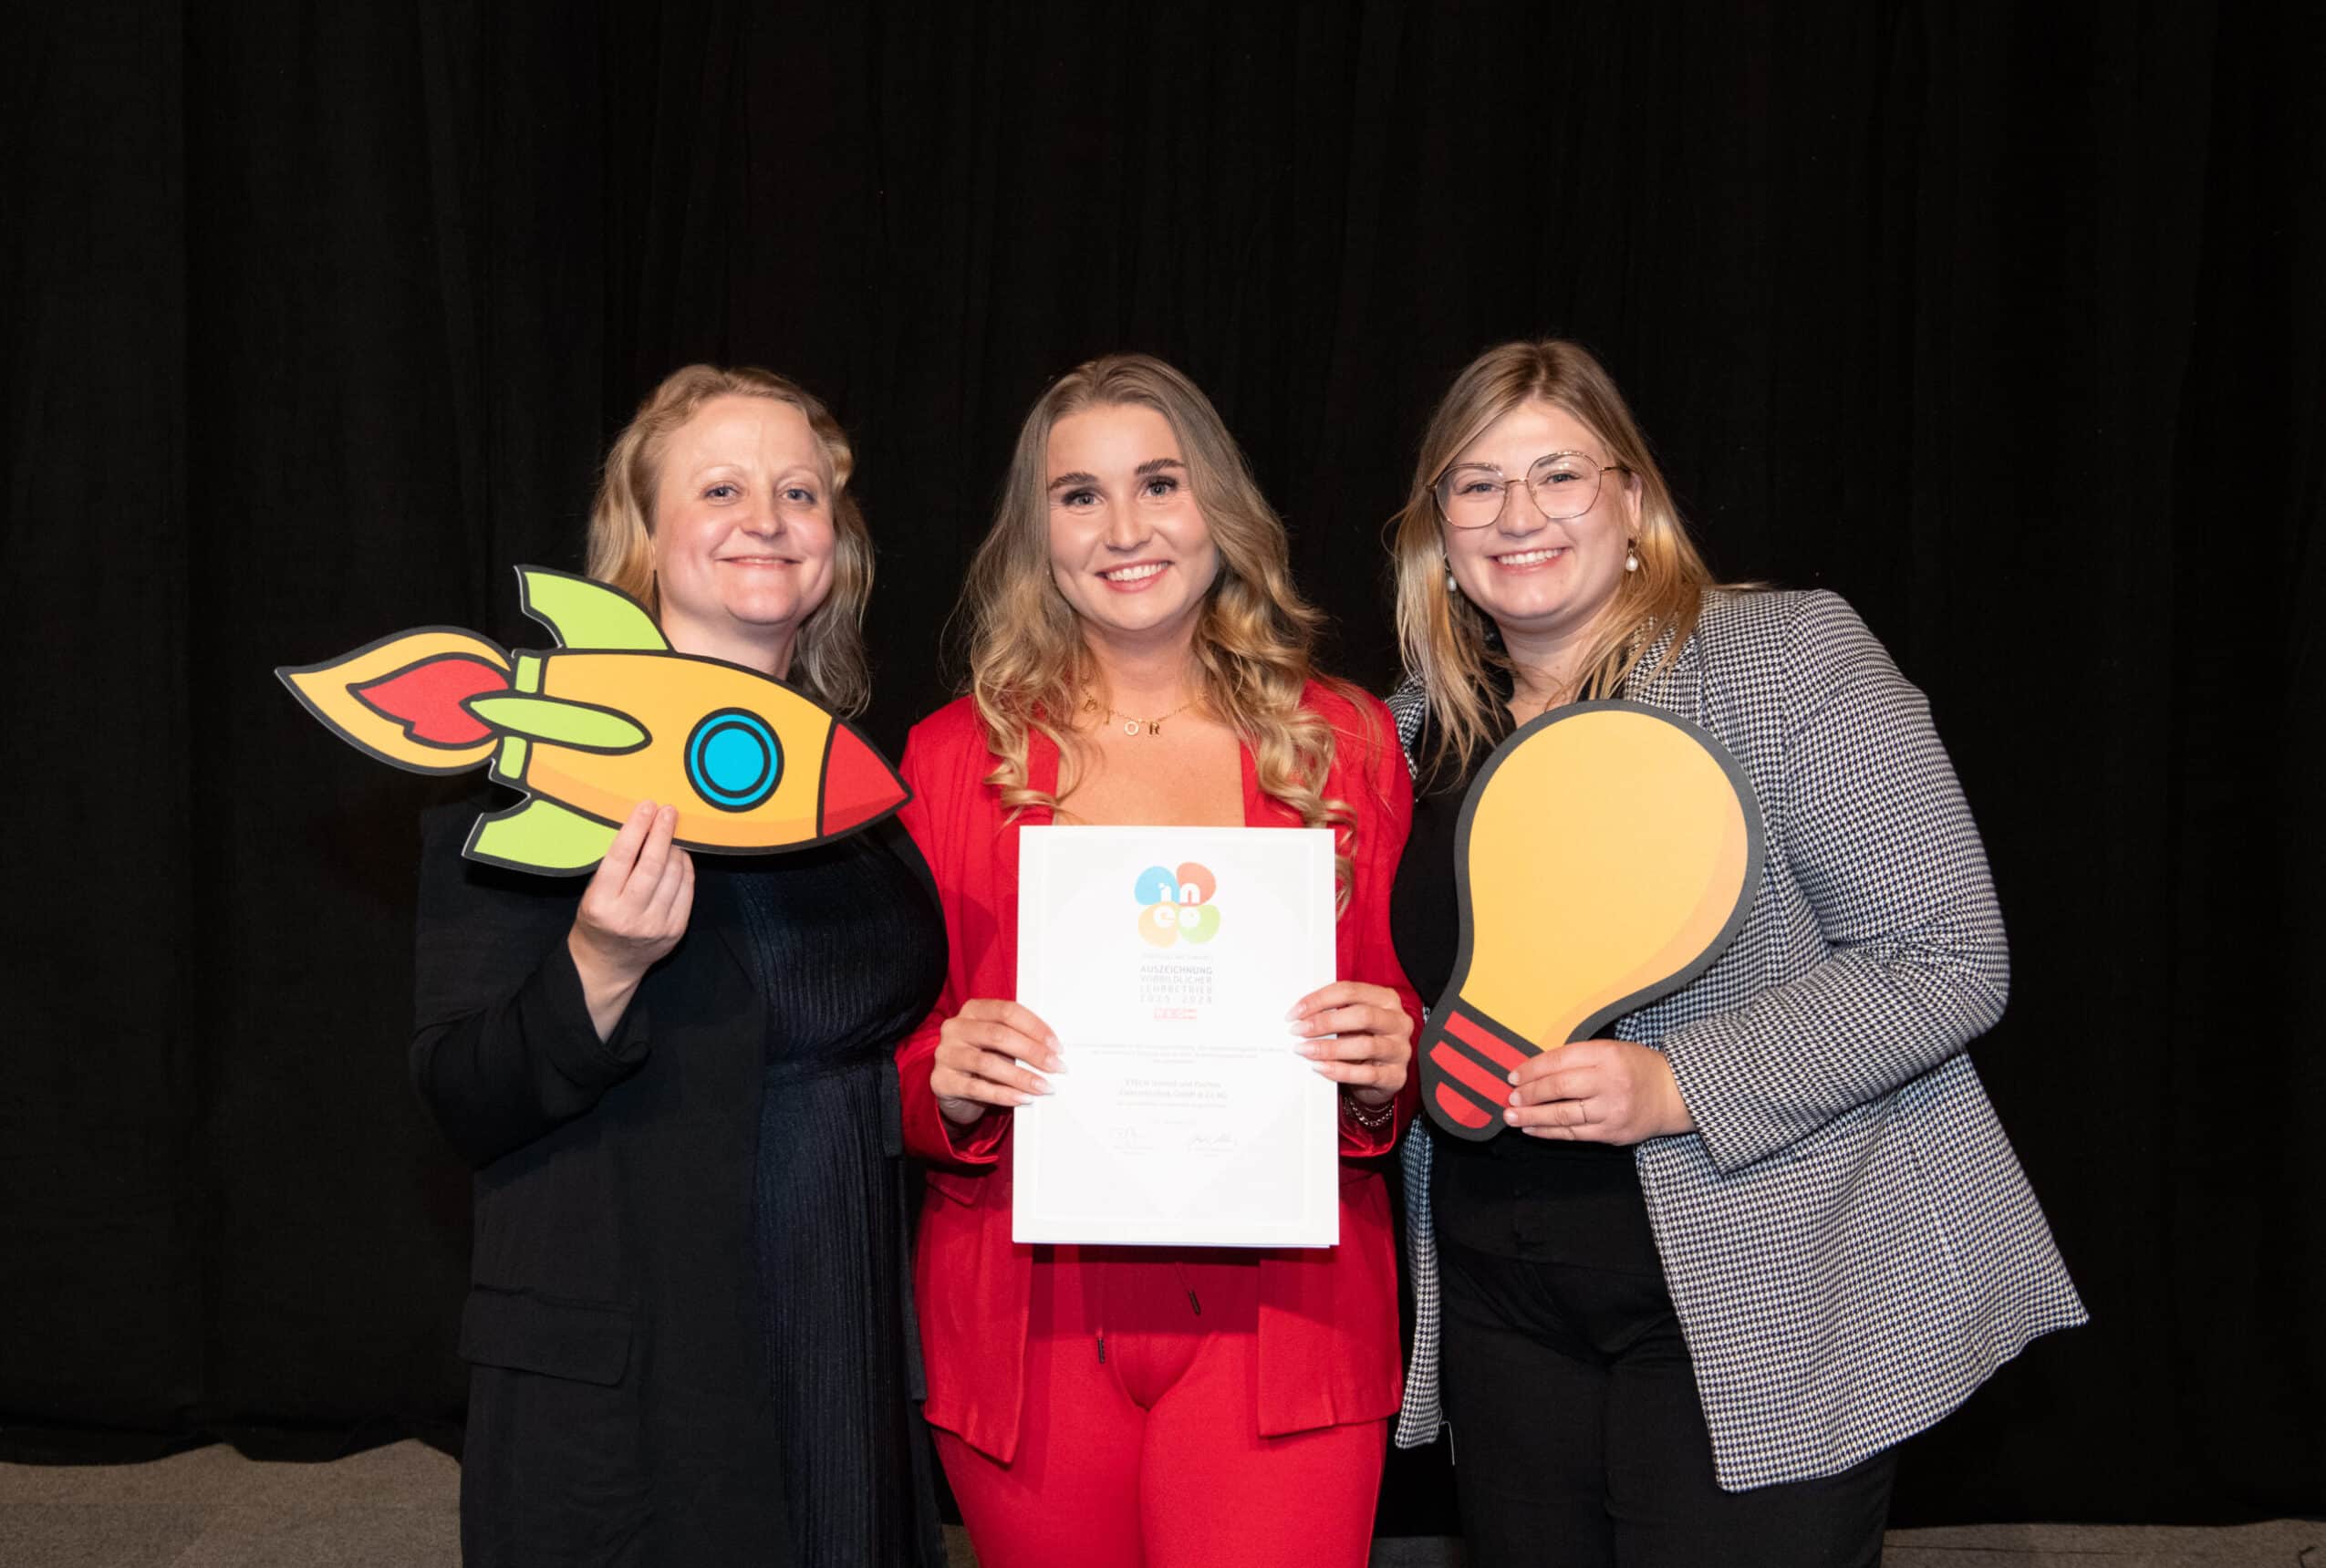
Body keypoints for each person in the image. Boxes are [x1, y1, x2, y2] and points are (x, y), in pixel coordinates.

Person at [1383, 339, 2087, 1567]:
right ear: (1437, 530)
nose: (1518, 514)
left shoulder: (1785, 663)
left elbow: (1945, 952)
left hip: (1758, 1296)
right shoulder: (1400, 738)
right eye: (1477, 483)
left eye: (1558, 474)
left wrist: (1677, 1085)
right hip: (1502, 1317)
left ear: (1633, 501)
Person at [410, 366, 947, 1567]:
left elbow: (858, 1047)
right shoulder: (532, 777)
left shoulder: (850, 787)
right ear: (645, 542)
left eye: (798, 491)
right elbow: (461, 1095)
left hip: (831, 1341)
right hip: (631, 1382)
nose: (766, 516)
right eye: (719, 487)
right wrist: (597, 964)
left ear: (831, 546)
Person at [893, 354, 1421, 1568]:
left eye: (1159, 482)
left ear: (1216, 508)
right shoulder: (945, 758)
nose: (1123, 528)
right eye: (1078, 495)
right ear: (1035, 534)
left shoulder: (1340, 739)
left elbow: (1390, 1004)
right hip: (1023, 1316)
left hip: (1286, 1309)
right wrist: (947, 1078)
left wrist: (1386, 1060)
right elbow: (891, 1054)